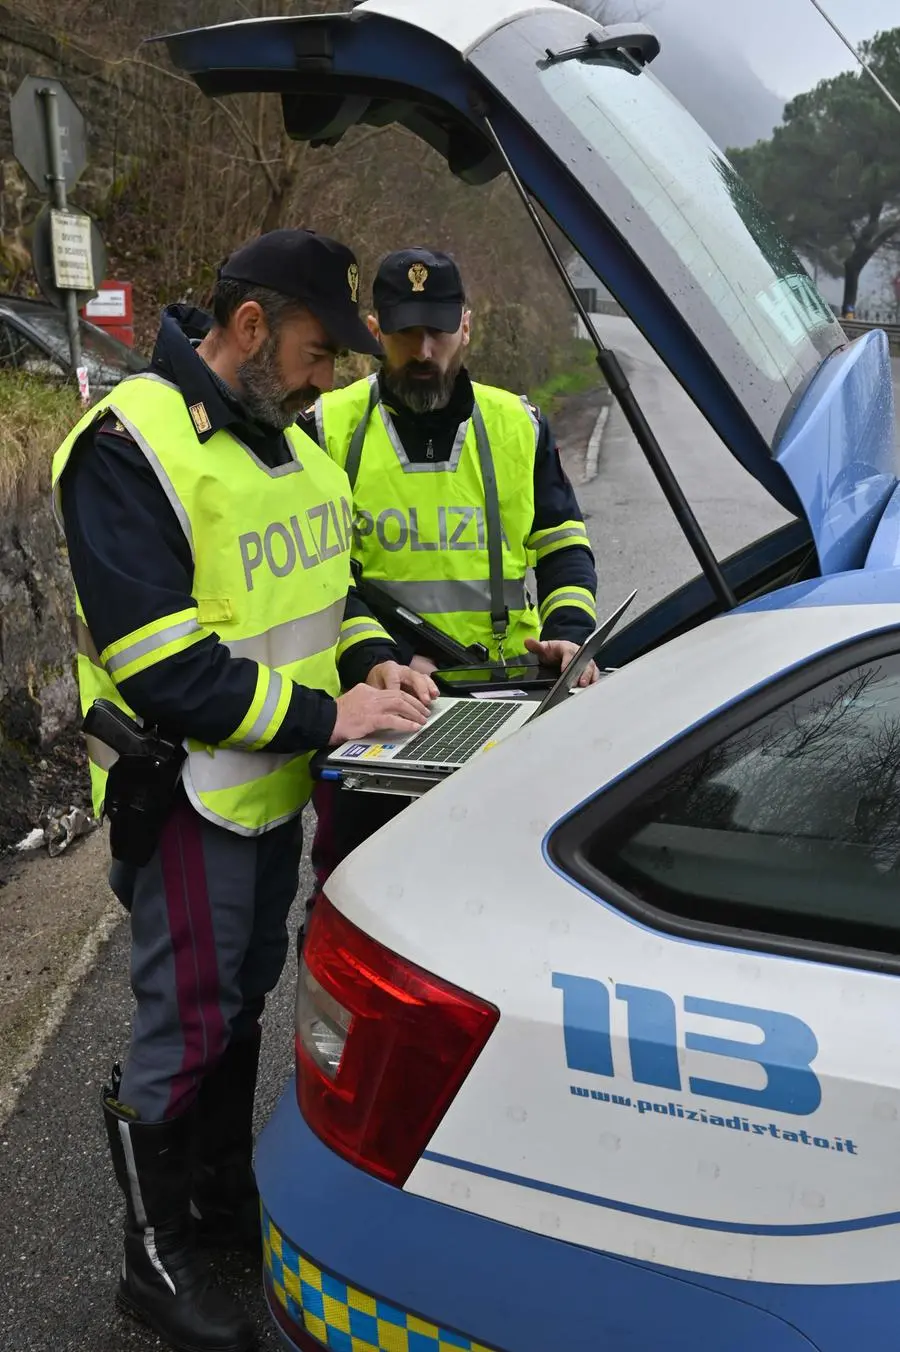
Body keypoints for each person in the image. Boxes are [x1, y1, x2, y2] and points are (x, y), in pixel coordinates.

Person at [51, 228, 436, 1352]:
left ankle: (218, 1196)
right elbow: (163, 666)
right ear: (254, 326)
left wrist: (373, 661)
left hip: (270, 787)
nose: (331, 379)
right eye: (321, 352)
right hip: (187, 792)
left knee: (246, 994)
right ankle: (153, 1257)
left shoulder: (297, 439)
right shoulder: (129, 444)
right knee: (187, 1017)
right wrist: (330, 716)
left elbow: (335, 588)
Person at [306, 246, 598, 895]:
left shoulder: (518, 426)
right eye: (407, 332)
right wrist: (375, 658)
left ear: (467, 324)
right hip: (380, 712)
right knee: (358, 897)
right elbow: (317, 580)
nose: (426, 350)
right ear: (375, 329)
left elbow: (561, 543)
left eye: (439, 330)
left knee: (498, 893)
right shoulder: (325, 428)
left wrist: (571, 630)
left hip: (503, 702)